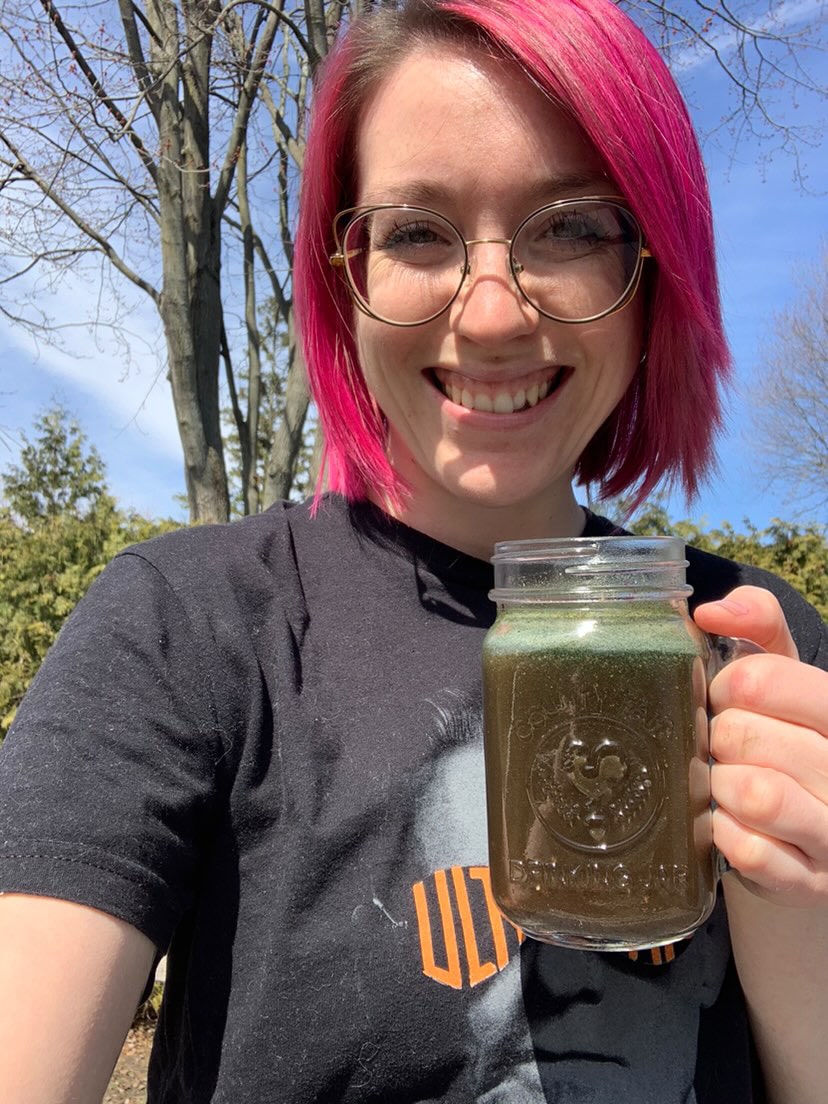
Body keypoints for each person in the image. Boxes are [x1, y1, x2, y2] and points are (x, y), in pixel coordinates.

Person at [0, 0, 825, 1100]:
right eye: (418, 233)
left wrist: (799, 914)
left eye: (573, 227)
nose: (490, 316)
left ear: (656, 275)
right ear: (346, 282)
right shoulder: (189, 628)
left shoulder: (752, 646)